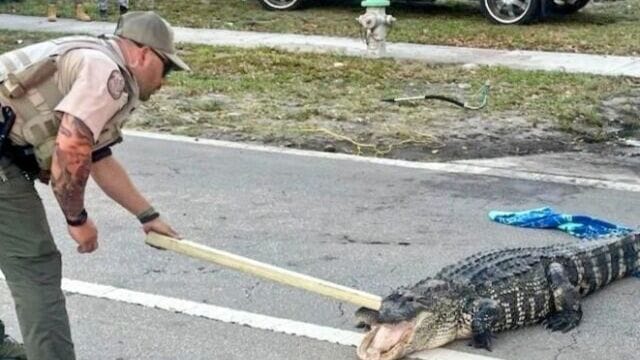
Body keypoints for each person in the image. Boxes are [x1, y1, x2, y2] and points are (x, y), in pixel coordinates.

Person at [0, 11, 189, 360]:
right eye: (167, 68)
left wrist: (147, 215)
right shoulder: (107, 74)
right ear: (143, 54)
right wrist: (77, 219)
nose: (164, 82)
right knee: (34, 263)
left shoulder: (93, 59)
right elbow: (71, 150)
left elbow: (97, 156)